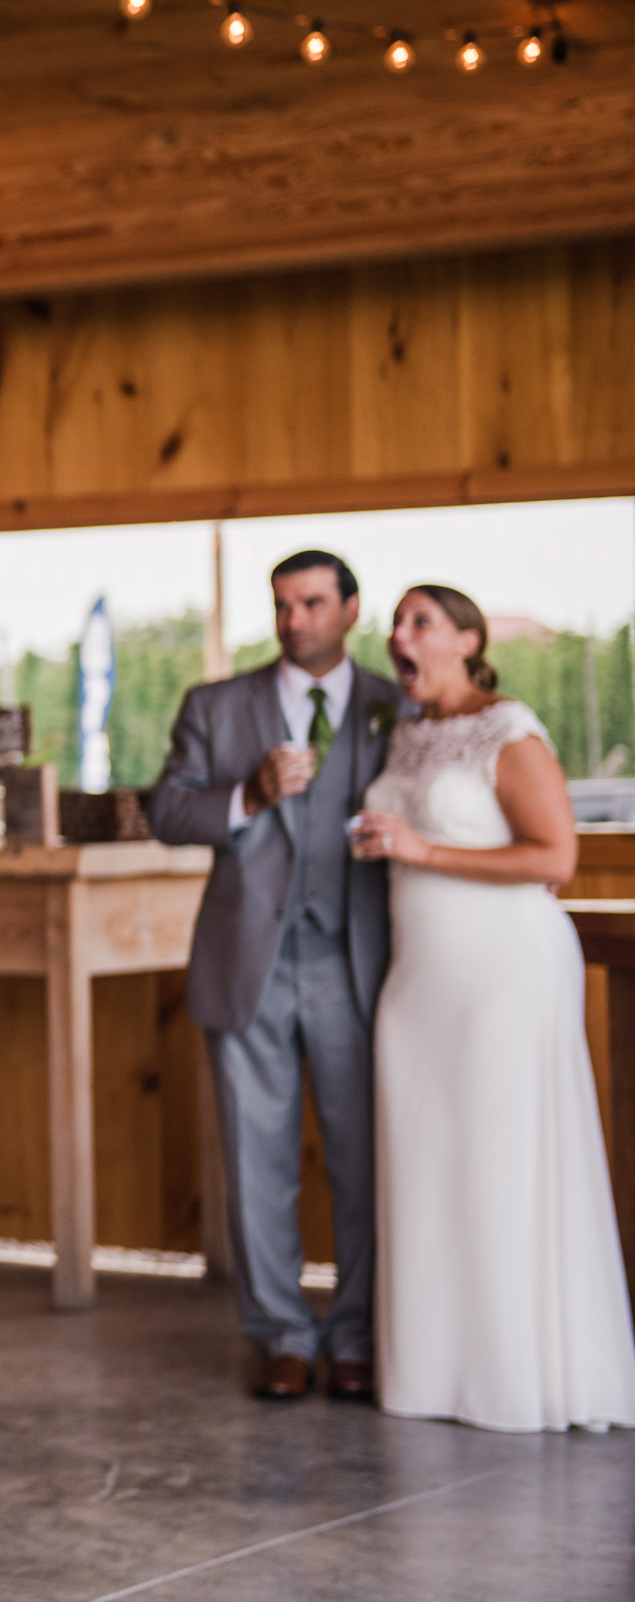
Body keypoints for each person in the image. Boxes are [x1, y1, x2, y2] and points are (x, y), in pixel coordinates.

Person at [350, 585, 635, 1430]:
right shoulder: (405, 735)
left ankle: (516, 1376)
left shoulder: (509, 728)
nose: (400, 635)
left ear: (468, 642)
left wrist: (421, 846)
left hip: (501, 971)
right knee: (431, 1161)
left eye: (420, 621)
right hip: (418, 978)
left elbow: (557, 855)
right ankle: (436, 1373)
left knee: (502, 1160)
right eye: (397, 622)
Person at [148, 549, 401, 1402]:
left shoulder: (392, 707)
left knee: (365, 1160)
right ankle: (281, 1337)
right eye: (283, 605)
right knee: (258, 1161)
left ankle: (359, 1334)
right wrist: (246, 797)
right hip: (248, 960)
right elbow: (165, 810)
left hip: (357, 961)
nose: (295, 620)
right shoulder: (216, 705)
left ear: (351, 609)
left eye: (313, 604)